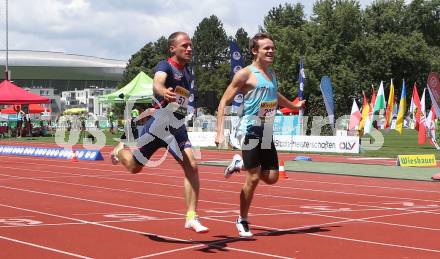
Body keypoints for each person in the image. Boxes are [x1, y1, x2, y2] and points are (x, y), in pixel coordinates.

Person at [112, 31, 209, 233]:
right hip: (158, 125)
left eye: (191, 45)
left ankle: (191, 216)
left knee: (191, 164)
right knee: (133, 167)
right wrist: (162, 90)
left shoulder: (189, 72)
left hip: (176, 126)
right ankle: (119, 150)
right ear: (172, 48)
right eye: (185, 45)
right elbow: (157, 81)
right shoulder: (165, 66)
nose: (189, 48)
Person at [215, 32, 305, 237]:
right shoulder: (245, 74)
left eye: (273, 47)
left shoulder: (271, 74)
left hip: (266, 130)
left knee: (272, 177)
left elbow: (275, 94)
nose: (271, 50)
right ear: (255, 51)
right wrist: (219, 131)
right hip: (250, 129)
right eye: (267, 48)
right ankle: (242, 219)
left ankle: (240, 163)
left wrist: (293, 105)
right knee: (254, 178)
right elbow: (223, 102)